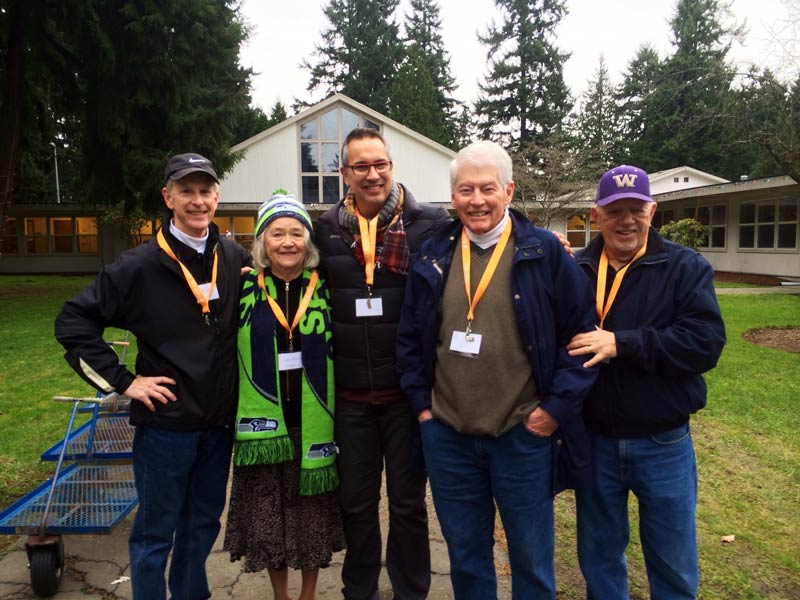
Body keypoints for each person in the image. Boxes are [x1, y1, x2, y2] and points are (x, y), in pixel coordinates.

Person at [395, 140, 598, 599]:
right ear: (453, 198)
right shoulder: (433, 254)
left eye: (488, 188)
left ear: (509, 191)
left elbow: (581, 339)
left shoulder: (544, 252)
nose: (477, 200)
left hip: (521, 436)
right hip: (448, 436)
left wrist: (553, 412)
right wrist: (423, 411)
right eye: (466, 190)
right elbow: (409, 339)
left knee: (531, 560)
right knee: (467, 560)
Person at [54, 153, 250, 600]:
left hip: (218, 427)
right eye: (187, 191)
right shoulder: (138, 266)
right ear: (168, 197)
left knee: (200, 529)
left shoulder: (232, 254)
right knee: (154, 536)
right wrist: (124, 382)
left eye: (205, 191)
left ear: (216, 196)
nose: (197, 201)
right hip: (166, 429)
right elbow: (72, 323)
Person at [566, 165, 726, 599]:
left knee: (672, 560)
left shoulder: (683, 267)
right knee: (599, 556)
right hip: (595, 439)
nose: (627, 220)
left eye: (636, 209)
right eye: (615, 210)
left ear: (652, 211)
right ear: (595, 214)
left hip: (662, 442)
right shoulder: (575, 269)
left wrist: (626, 343)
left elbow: (706, 343)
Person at [315, 128, 450, 600]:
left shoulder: (429, 223)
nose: (373, 175)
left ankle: (411, 591)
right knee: (356, 503)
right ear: (345, 173)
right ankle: (361, 590)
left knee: (409, 504)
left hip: (407, 395)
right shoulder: (326, 229)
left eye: (381, 165)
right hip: (351, 397)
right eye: (361, 167)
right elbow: (293, 273)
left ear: (391, 165)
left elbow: (484, 236)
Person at [224, 191, 345, 600]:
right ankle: (280, 595)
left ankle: (308, 595)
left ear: (308, 242)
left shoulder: (326, 287)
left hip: (313, 425)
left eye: (296, 233)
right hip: (264, 429)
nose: (288, 242)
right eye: (277, 234)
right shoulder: (243, 289)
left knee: (310, 522)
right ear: (262, 242)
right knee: (268, 523)